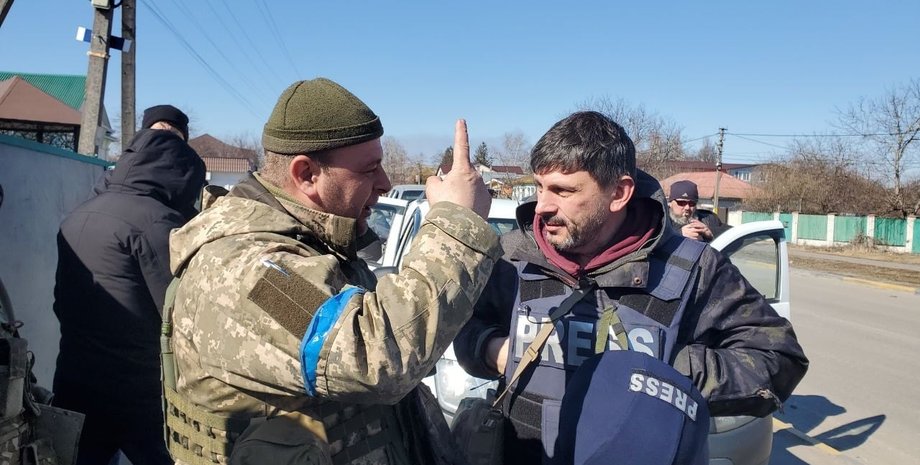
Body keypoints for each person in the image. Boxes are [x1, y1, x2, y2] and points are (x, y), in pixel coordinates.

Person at [164, 77, 500, 465]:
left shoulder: (311, 244)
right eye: (369, 169)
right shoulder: (243, 270)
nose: (385, 184)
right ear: (306, 174)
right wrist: (457, 223)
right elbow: (375, 356)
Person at [453, 111, 808, 465]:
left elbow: (778, 358)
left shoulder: (692, 267)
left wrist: (663, 372)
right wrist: (491, 350)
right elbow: (467, 328)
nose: (543, 206)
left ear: (619, 192)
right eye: (541, 187)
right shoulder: (513, 256)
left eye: (564, 190)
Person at [52, 105, 205, 465]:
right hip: (139, 391)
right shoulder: (160, 224)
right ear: (180, 169)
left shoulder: (80, 213)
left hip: (75, 375)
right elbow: (178, 313)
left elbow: (63, 300)